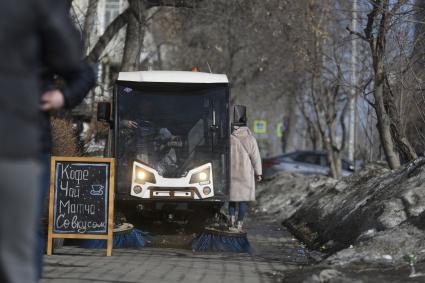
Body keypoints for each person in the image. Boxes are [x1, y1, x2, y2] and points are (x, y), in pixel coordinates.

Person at [0, 1, 92, 282]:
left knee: (19, 244)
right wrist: (64, 96)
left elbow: (80, 72)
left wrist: (64, 96)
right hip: (22, 141)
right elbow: (82, 73)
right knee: (19, 248)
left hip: (18, 142)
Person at [229, 106, 262, 232]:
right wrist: (259, 173)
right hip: (245, 175)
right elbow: (256, 158)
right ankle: (239, 224)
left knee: (232, 199)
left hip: (232, 174)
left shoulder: (230, 139)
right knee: (243, 201)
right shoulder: (251, 139)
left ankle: (231, 220)